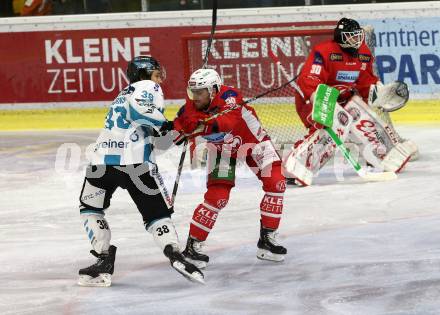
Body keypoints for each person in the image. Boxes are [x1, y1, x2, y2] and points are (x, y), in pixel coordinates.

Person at [77, 56, 204, 287]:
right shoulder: (146, 86)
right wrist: (168, 125)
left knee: (90, 209)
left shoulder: (123, 93)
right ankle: (174, 254)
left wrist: (178, 134)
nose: (160, 78)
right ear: (144, 74)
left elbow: (153, 137)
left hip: (101, 165)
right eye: (156, 73)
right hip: (137, 165)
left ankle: (103, 259)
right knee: (157, 216)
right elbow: (141, 111)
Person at [163, 68, 287, 269]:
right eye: (192, 92)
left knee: (277, 183)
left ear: (213, 90)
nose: (195, 97)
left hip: (253, 143)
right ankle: (193, 246)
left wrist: (201, 126)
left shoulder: (230, 96)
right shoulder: (190, 107)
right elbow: (176, 134)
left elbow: (228, 122)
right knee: (216, 198)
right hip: (223, 150)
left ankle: (268, 240)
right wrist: (180, 130)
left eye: (200, 92)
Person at [284, 17, 417, 186]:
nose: (356, 40)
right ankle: (297, 165)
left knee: (361, 114)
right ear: (341, 37)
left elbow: (365, 82)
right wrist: (322, 104)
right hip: (314, 98)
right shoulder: (324, 52)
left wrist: (378, 93)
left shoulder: (363, 53)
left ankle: (384, 156)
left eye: (357, 35)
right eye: (351, 36)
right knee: (335, 124)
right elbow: (309, 80)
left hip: (344, 97)